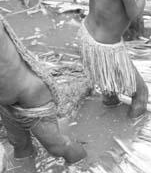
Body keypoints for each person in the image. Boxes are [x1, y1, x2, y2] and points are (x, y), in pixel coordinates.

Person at [0, 15, 86, 163]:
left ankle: (84, 168)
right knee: (19, 144)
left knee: (58, 147)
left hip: (30, 94)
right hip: (6, 99)